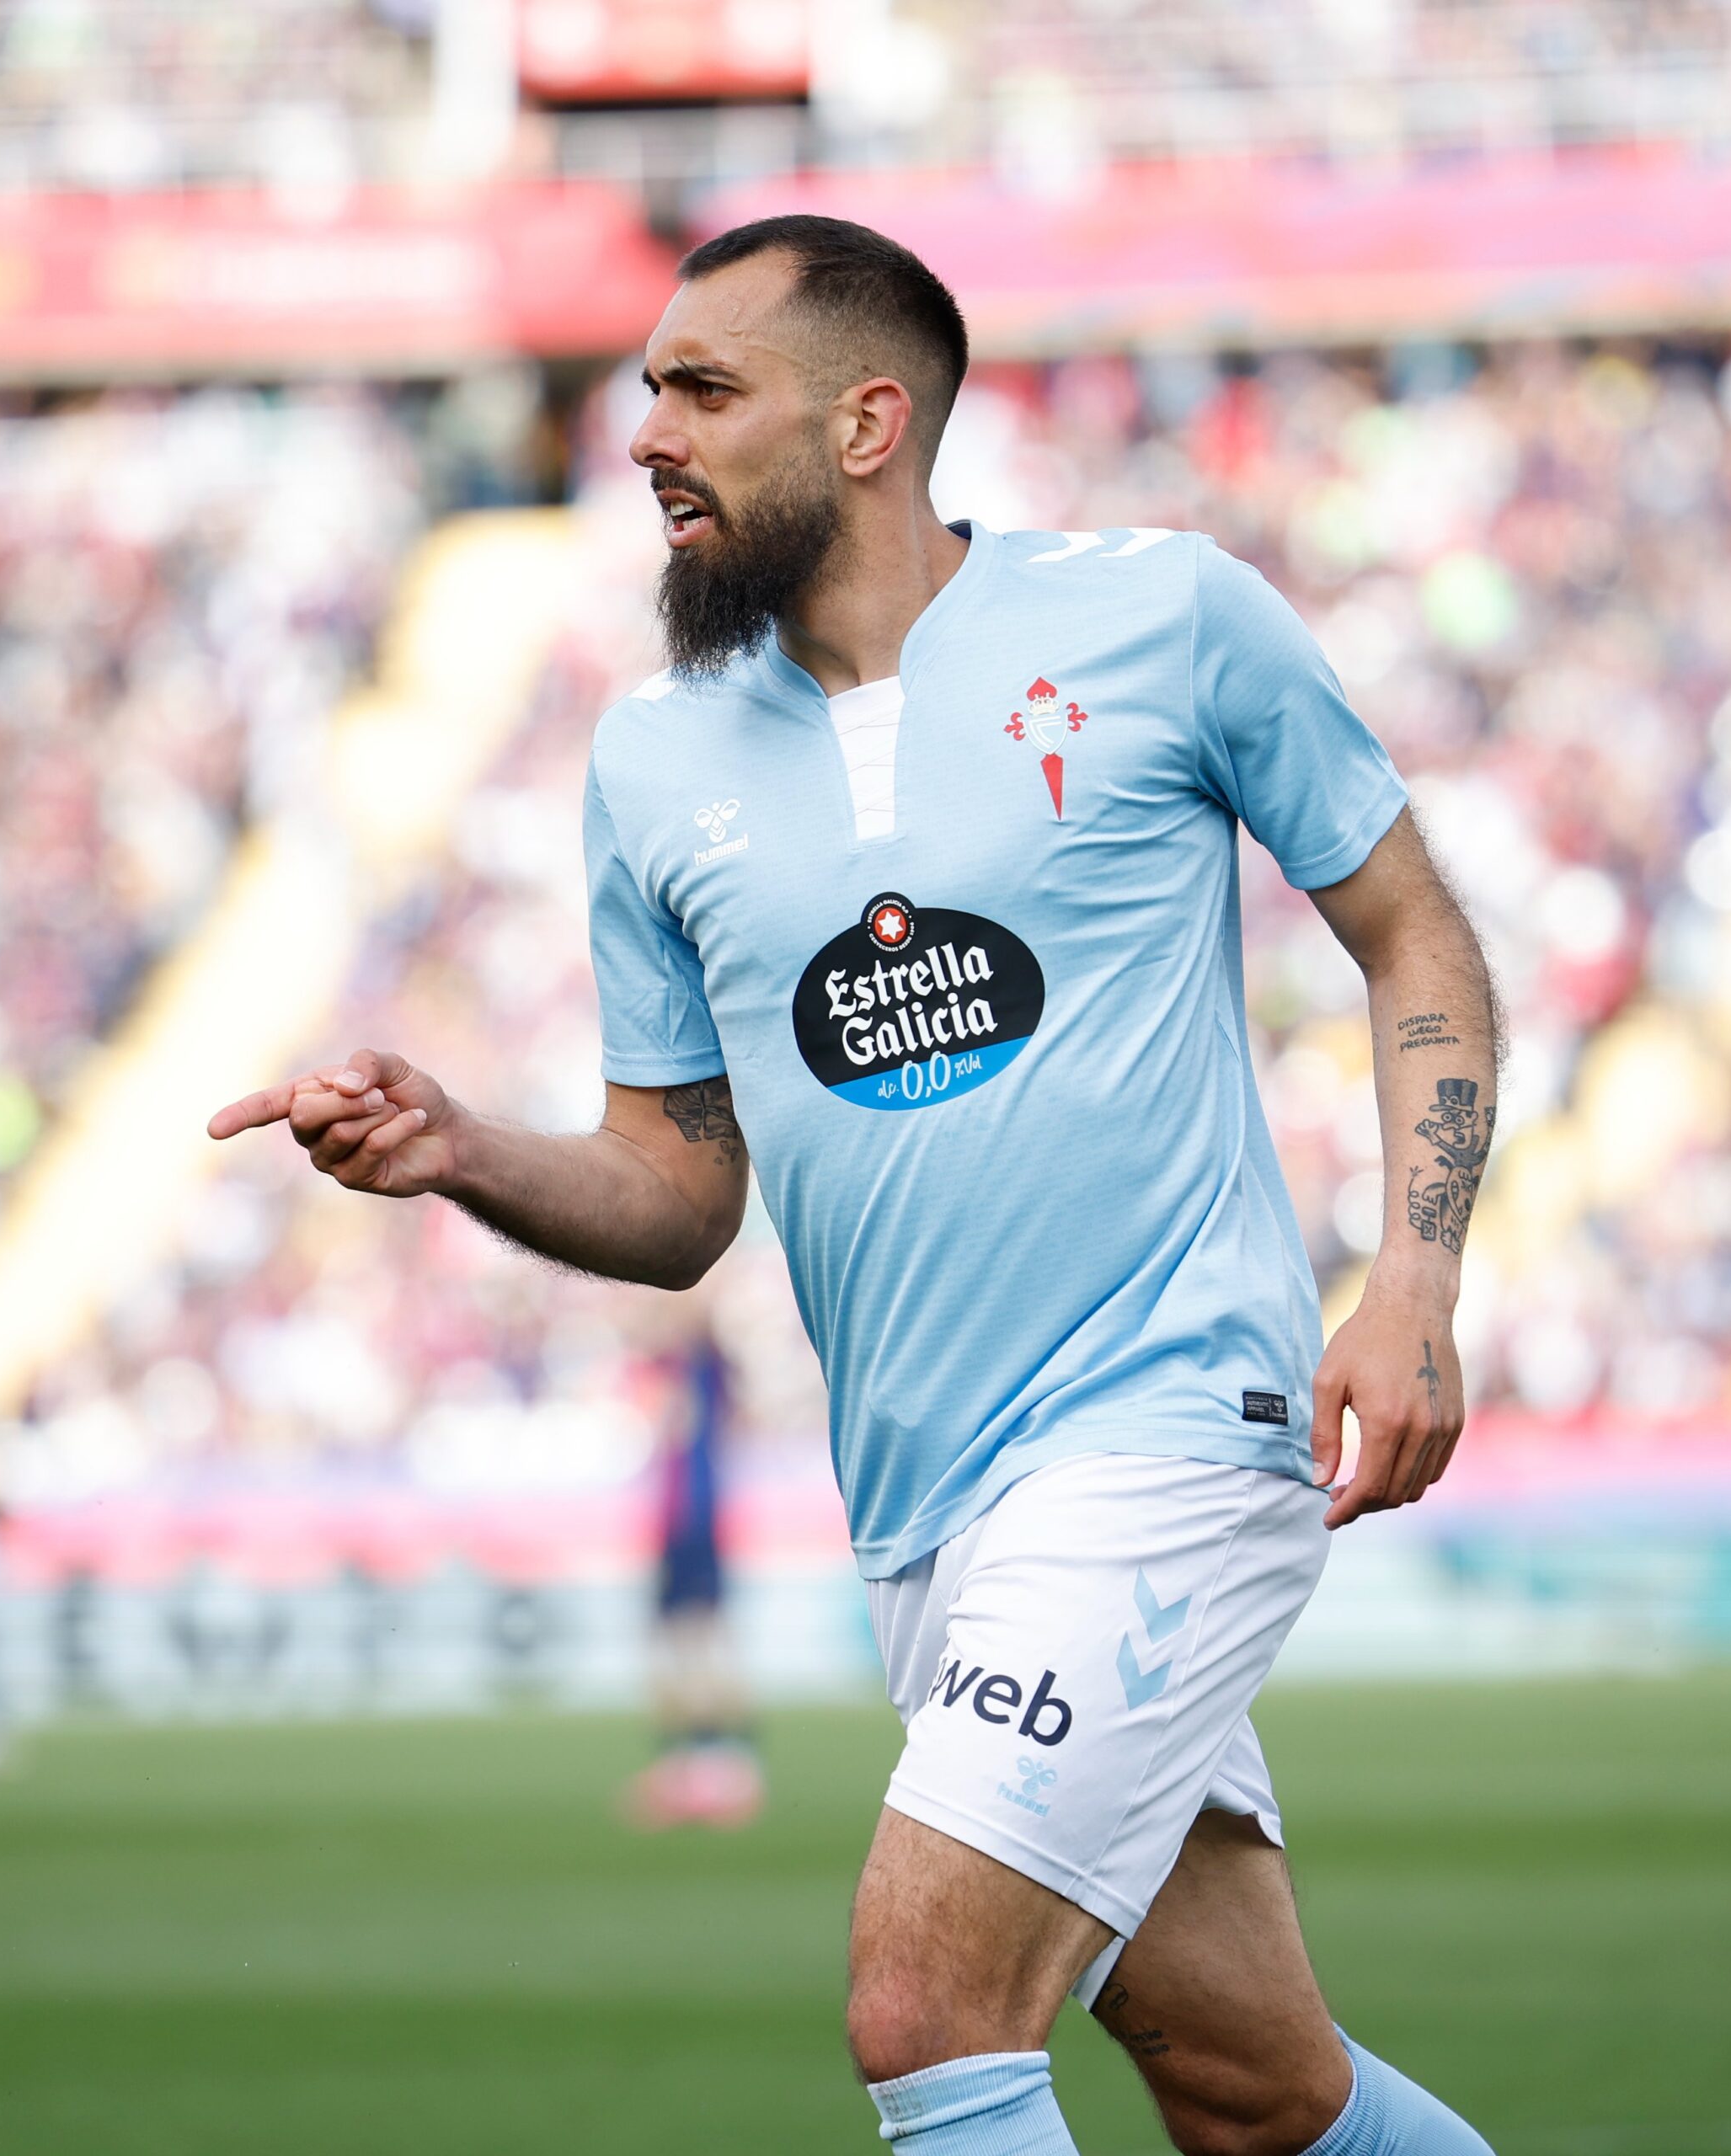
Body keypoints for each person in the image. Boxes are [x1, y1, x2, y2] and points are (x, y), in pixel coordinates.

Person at [211, 216, 1500, 2156]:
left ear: (868, 422)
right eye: (646, 387)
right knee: (1255, 2092)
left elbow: (1411, 930)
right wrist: (461, 1147)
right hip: (924, 1517)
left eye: (702, 388)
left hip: (1163, 1437)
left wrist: (1411, 1277)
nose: (647, 431)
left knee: (925, 2008)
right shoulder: (651, 760)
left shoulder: (1165, 618)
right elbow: (672, 1189)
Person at [622, 1303, 765, 1829]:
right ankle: (703, 1769)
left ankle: (714, 1770)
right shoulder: (685, 1371)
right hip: (683, 1520)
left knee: (694, 1642)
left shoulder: (701, 1369)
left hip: (691, 1521)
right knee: (686, 1644)